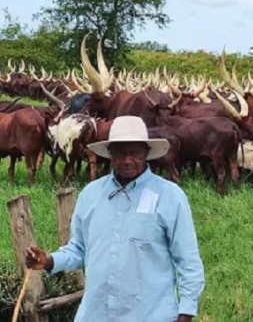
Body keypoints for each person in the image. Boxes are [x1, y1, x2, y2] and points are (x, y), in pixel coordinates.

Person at [25, 116, 205, 322]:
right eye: (120, 153)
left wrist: (186, 313)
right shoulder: (91, 194)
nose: (127, 160)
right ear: (110, 154)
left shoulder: (170, 197)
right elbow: (79, 250)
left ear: (147, 153)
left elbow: (189, 262)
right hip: (96, 314)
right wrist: (48, 261)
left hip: (150, 315)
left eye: (135, 153)